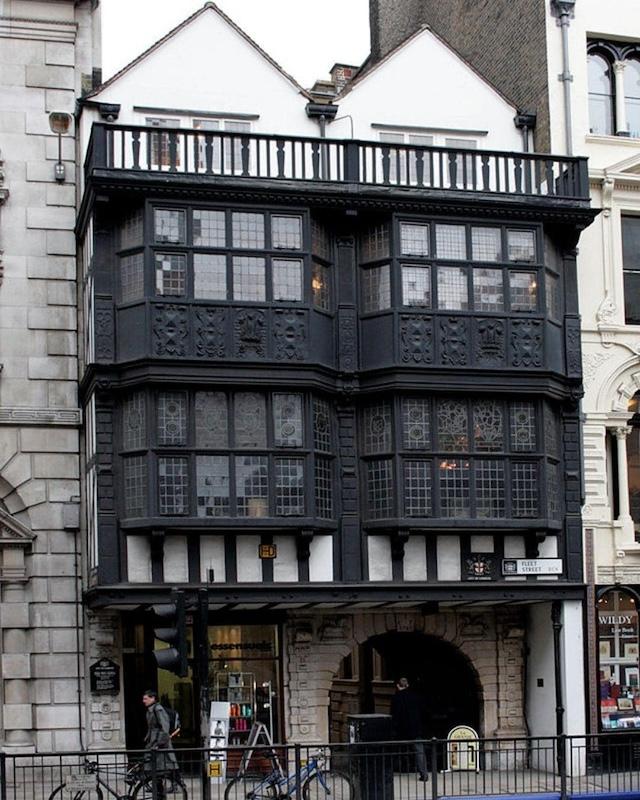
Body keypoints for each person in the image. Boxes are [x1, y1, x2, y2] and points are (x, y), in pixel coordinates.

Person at [142, 690, 180, 797]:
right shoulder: (150, 710)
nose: (143, 701)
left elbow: (165, 727)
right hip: (153, 741)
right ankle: (158, 790)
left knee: (164, 765)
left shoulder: (158, 709)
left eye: (146, 698)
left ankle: (175, 784)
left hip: (160, 742)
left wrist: (160, 742)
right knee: (155, 767)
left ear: (153, 698)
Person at [390, 677, 428, 782]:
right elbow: (423, 711)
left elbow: (395, 715)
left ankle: (392, 771)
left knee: (396, 749)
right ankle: (424, 774)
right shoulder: (416, 696)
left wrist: (394, 728)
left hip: (402, 729)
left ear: (398, 686)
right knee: (419, 750)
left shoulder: (396, 698)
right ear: (408, 685)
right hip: (416, 728)